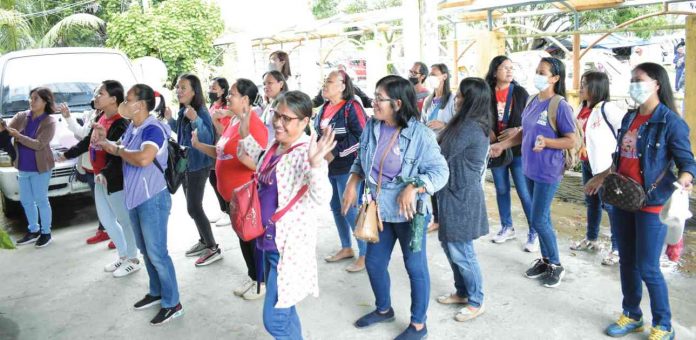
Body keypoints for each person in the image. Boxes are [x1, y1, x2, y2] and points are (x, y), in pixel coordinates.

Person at [585, 63, 696, 340]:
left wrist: (684, 179)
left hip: (653, 203)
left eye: (639, 79)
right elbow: (619, 159)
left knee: (648, 266)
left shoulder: (670, 122)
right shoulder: (629, 118)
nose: (634, 84)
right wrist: (601, 176)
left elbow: (688, 162)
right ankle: (632, 315)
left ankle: (663, 324)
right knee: (627, 262)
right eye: (632, 80)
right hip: (623, 198)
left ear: (656, 83)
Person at [342, 75, 449, 340]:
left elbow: (440, 171)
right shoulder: (372, 126)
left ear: (398, 104)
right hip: (378, 209)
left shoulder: (420, 135)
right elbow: (361, 159)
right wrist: (352, 183)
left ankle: (418, 325)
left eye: (380, 98)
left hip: (409, 213)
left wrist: (414, 186)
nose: (374, 102)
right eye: (375, 97)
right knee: (375, 263)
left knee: (414, 267)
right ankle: (383, 309)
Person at [98, 84, 183, 325]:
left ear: (141, 104)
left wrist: (120, 150)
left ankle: (173, 303)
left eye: (129, 99)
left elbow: (145, 158)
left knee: (157, 254)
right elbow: (120, 150)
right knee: (146, 252)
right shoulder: (133, 128)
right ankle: (157, 293)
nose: (125, 103)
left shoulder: (153, 128)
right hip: (135, 198)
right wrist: (108, 144)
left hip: (153, 199)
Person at [489, 57, 577, 288]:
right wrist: (502, 145)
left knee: (538, 218)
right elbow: (523, 133)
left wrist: (547, 141)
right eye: (536, 70)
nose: (537, 75)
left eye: (543, 72)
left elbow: (571, 140)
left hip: (548, 170)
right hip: (529, 167)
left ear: (555, 78)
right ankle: (546, 260)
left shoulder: (560, 105)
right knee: (542, 217)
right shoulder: (532, 100)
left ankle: (556, 264)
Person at [255, 91, 334, 339]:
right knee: (285, 308)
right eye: (277, 115)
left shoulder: (305, 153)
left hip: (287, 246)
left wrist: (316, 166)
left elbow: (323, 197)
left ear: (304, 122)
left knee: (275, 320)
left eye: (287, 118)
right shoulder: (275, 146)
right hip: (267, 240)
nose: (278, 122)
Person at [191, 78, 269, 300]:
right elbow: (220, 152)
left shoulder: (254, 125)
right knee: (244, 239)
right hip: (232, 196)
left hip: (247, 196)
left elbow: (261, 164)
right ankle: (253, 276)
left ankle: (262, 282)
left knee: (253, 240)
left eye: (232, 93)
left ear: (245, 99)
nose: (227, 97)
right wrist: (198, 145)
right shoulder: (234, 121)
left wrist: (245, 158)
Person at [61, 80, 140, 277]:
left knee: (124, 220)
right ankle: (123, 255)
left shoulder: (122, 122)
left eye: (100, 94)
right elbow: (87, 141)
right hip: (99, 177)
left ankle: (133, 258)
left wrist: (105, 173)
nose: (95, 97)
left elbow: (119, 155)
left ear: (113, 99)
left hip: (114, 180)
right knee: (106, 219)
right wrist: (66, 155)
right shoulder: (101, 116)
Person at [435, 77, 490, 322]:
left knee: (462, 251)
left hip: (462, 196)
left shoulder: (470, 126)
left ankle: (477, 300)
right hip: (451, 194)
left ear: (471, 100)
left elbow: (440, 153)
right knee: (450, 244)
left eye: (460, 96)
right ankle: (462, 292)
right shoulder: (461, 122)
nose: (456, 99)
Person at [315, 70, 368, 273]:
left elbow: (362, 136)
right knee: (336, 208)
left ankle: (365, 253)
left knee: (351, 209)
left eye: (329, 81)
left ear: (343, 86)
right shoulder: (324, 108)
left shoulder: (351, 107)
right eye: (325, 80)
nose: (325, 84)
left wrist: (335, 152)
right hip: (328, 167)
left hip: (348, 167)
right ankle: (346, 247)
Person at [569, 71, 624, 266]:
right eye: (581, 83)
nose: (581, 88)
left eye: (585, 84)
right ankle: (591, 239)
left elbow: (624, 132)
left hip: (605, 168)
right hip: (587, 163)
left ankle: (617, 249)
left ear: (597, 87)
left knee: (611, 207)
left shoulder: (609, 109)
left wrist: (614, 164)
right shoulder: (581, 108)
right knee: (591, 202)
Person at [484, 55, 537, 251]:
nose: (509, 71)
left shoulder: (520, 92)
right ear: (495, 70)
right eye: (505, 67)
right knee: (501, 189)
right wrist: (486, 129)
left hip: (517, 149)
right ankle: (507, 226)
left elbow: (529, 120)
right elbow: (478, 114)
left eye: (511, 68)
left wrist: (517, 129)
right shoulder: (486, 91)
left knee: (524, 191)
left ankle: (534, 230)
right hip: (496, 149)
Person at [166, 74, 218, 267]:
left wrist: (196, 119)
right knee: (192, 208)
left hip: (198, 166)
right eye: (178, 88)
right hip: (186, 166)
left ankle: (212, 247)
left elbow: (206, 138)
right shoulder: (183, 111)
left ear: (194, 91)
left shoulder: (200, 111)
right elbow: (181, 135)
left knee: (194, 207)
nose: (178, 91)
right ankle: (204, 241)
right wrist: (171, 120)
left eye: (183, 88)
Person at [4, 87, 57, 248]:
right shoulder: (22, 116)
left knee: (41, 200)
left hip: (40, 168)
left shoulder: (49, 121)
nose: (31, 101)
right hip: (23, 167)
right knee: (26, 201)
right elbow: (6, 131)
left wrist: (19, 136)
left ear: (45, 101)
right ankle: (33, 231)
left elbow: (40, 145)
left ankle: (46, 233)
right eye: (30, 98)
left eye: (36, 99)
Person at [59, 96, 110, 246]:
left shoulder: (112, 118)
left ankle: (113, 232)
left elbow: (86, 138)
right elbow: (83, 135)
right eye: (95, 94)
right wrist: (68, 117)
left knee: (108, 202)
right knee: (100, 201)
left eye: (100, 93)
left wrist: (67, 154)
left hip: (102, 168)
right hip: (89, 166)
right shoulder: (91, 114)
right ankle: (105, 229)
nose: (96, 97)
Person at [421, 63, 455, 234]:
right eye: (430, 75)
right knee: (433, 183)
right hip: (431, 148)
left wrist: (444, 124)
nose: (432, 78)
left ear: (444, 76)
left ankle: (448, 220)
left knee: (446, 184)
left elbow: (460, 124)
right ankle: (436, 219)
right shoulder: (428, 100)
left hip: (447, 147)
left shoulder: (452, 99)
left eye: (435, 74)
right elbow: (422, 122)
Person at [207, 77, 232, 228]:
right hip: (213, 147)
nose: (211, 91)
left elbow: (225, 132)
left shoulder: (225, 108)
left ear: (223, 90)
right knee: (213, 179)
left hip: (222, 148)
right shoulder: (212, 105)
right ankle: (223, 210)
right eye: (210, 88)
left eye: (214, 88)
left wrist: (216, 121)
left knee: (219, 179)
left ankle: (229, 211)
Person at [259, 70, 289, 139]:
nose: (266, 86)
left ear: (281, 84)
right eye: (264, 84)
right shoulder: (270, 103)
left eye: (270, 83)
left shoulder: (284, 104)